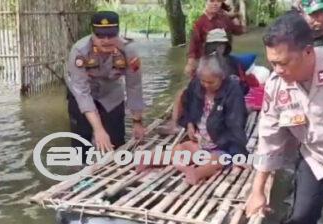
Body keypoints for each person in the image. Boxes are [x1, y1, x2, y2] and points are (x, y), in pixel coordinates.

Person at [245, 12, 323, 224]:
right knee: (300, 218)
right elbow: (268, 141)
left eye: (283, 63)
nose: (278, 70)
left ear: (308, 52)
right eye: (272, 63)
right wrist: (257, 190)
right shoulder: (276, 86)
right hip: (317, 159)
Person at [137, 55, 248, 185]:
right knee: (181, 148)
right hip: (201, 142)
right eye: (203, 81)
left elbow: (235, 123)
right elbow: (188, 105)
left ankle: (197, 173)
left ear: (222, 77)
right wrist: (189, 123)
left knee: (216, 160)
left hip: (221, 144)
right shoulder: (196, 84)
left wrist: (239, 154)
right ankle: (150, 159)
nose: (206, 85)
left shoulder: (233, 89)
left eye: (211, 82)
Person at [65, 11, 146, 161]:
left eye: (111, 34)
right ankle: (79, 174)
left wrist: (137, 121)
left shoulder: (129, 51)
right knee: (81, 141)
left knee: (116, 141)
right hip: (82, 93)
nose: (106, 40)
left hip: (111, 94)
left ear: (118, 32)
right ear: (92, 33)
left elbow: (134, 86)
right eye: (100, 35)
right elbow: (82, 92)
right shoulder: (79, 51)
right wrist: (98, 129)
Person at [184, 0, 245, 77]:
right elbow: (193, 44)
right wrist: (190, 63)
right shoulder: (200, 23)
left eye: (218, 1)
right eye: (212, 1)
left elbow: (239, 31)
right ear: (206, 2)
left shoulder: (224, 19)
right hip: (207, 59)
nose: (215, 4)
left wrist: (239, 17)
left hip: (224, 57)